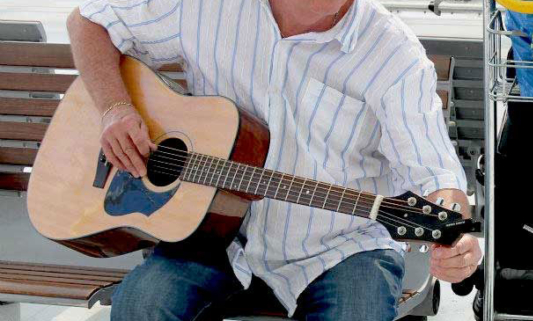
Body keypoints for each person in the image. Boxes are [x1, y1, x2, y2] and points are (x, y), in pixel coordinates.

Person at [66, 0, 483, 320]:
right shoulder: (205, 8)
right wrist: (115, 109)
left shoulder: (393, 55)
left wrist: (457, 237)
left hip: (341, 248)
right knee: (142, 306)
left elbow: (436, 175)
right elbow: (89, 20)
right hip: (213, 234)